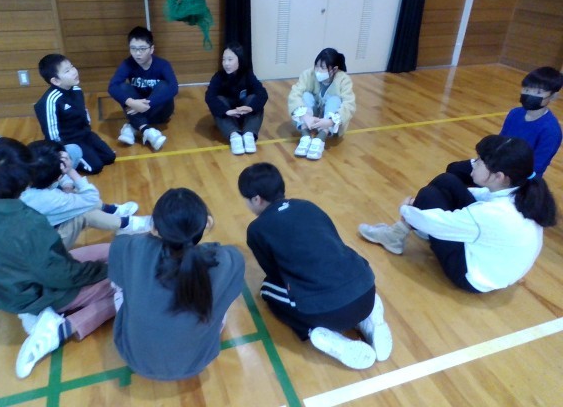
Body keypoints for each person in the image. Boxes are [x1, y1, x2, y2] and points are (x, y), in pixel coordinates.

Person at [0, 138, 117, 378]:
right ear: (26, 179)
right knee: (126, 283)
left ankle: (40, 315)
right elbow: (61, 275)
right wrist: (106, 271)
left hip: (9, 287)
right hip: (37, 293)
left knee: (110, 252)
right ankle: (62, 329)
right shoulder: (27, 223)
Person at [238, 163, 392, 369]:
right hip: (366, 291)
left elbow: (274, 274)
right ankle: (369, 318)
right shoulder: (308, 205)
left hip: (327, 314)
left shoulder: (257, 229)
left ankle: (319, 333)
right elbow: (335, 241)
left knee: (267, 290)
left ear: (257, 199)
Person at [359, 135, 558, 293]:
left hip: (473, 278)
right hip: (499, 269)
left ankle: (395, 235)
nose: (474, 163)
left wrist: (407, 209)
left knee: (428, 196)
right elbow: (481, 195)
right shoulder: (522, 191)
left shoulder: (492, 214)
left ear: (499, 176)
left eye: (480, 161)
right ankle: (397, 234)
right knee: (447, 181)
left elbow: (438, 224)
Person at [109, 188, 244, 380]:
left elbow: (118, 283)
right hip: (196, 362)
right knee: (220, 301)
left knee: (121, 291)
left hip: (134, 357)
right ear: (207, 223)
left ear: (154, 228)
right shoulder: (228, 259)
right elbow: (229, 295)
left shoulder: (129, 246)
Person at [20, 140, 150, 250]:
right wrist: (70, 170)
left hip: (29, 235)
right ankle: (125, 224)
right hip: (43, 249)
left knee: (73, 151)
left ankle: (111, 211)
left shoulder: (20, 176)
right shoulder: (49, 199)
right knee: (83, 213)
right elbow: (91, 198)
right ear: (59, 176)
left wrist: (65, 182)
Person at [447, 66, 563, 183]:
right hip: (499, 164)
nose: (530, 95)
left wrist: (499, 176)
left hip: (518, 177)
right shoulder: (515, 113)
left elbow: (537, 166)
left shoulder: (551, 130)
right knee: (455, 169)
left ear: (553, 96)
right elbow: (501, 141)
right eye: (527, 90)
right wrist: (484, 161)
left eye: (538, 92)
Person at [35, 53, 116, 175]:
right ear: (56, 81)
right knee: (96, 167)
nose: (74, 72)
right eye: (67, 71)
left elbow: (83, 112)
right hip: (69, 142)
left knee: (109, 157)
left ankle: (88, 152)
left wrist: (88, 131)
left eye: (72, 67)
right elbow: (52, 135)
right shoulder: (50, 101)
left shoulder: (77, 90)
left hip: (84, 134)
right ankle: (69, 161)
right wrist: (62, 152)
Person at [108, 26, 179, 151]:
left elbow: (174, 88)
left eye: (142, 49)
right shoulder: (128, 64)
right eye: (133, 48)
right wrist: (132, 103)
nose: (137, 53)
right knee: (123, 87)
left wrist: (147, 104)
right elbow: (112, 86)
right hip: (137, 107)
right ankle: (146, 130)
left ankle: (132, 126)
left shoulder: (163, 65)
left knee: (164, 85)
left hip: (161, 111)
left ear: (151, 49)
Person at [287, 48, 356, 160]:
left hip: (329, 119)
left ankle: (320, 138)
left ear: (334, 69)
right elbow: (295, 93)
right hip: (310, 115)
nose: (318, 70)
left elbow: (349, 104)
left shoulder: (344, 79)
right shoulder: (308, 74)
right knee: (305, 95)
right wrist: (305, 116)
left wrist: (330, 121)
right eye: (316, 66)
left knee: (335, 100)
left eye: (323, 68)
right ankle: (305, 136)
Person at [205, 42, 268, 155]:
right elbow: (209, 96)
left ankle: (249, 135)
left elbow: (262, 93)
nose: (226, 63)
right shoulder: (218, 77)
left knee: (255, 100)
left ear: (240, 59)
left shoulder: (247, 74)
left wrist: (250, 107)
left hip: (244, 113)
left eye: (230, 59)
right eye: (224, 59)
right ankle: (234, 135)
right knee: (218, 101)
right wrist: (226, 111)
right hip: (228, 115)